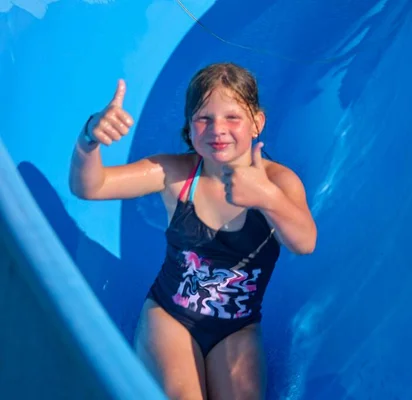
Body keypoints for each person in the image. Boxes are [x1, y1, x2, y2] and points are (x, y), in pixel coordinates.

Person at [69, 62, 317, 400]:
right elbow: (91, 187)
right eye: (204, 118)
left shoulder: (279, 182)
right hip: (171, 315)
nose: (218, 129)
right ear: (189, 127)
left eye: (233, 117)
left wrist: (268, 198)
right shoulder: (176, 174)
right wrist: (88, 141)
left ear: (257, 122)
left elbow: (305, 243)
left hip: (238, 327)